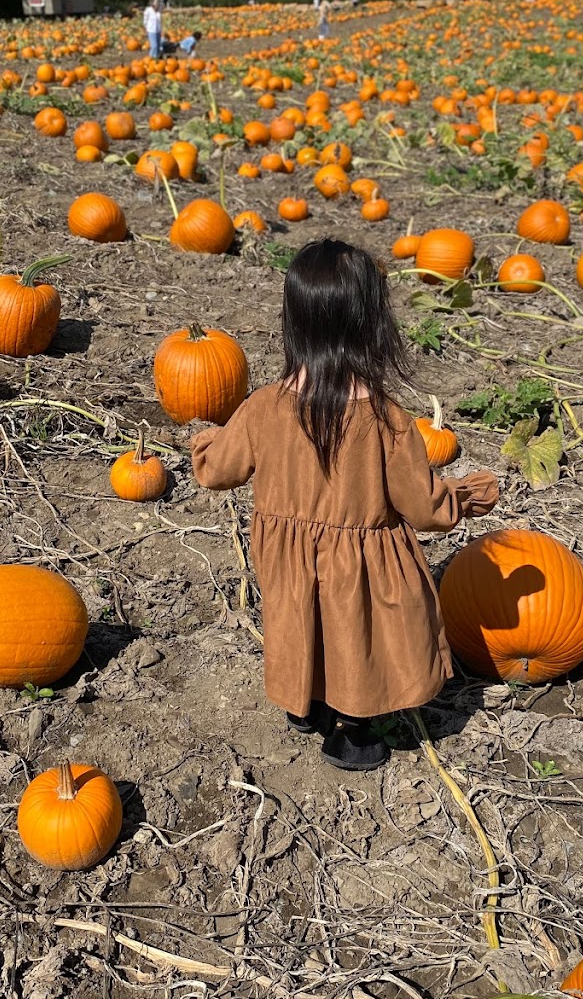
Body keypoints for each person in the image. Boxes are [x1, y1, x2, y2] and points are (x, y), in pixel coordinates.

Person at [191, 239, 500, 771]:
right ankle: (352, 730)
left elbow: (217, 471)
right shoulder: (386, 420)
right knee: (357, 629)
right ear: (372, 324)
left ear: (294, 322)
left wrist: (205, 438)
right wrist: (464, 498)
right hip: (359, 563)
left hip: (284, 556)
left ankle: (303, 701)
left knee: (298, 616)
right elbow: (423, 509)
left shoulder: (263, 406)